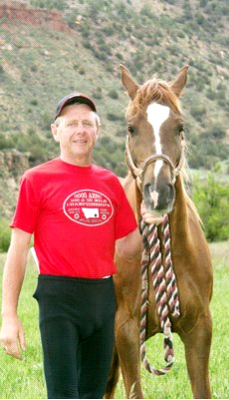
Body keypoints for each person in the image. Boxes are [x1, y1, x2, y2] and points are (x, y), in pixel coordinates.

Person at [0, 93, 145, 399]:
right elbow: (17, 250)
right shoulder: (36, 180)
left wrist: (153, 217)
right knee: (64, 393)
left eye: (87, 123)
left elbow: (130, 247)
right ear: (57, 131)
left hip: (103, 299)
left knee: (94, 393)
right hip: (59, 299)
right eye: (72, 123)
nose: (80, 130)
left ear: (97, 130)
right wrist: (9, 316)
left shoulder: (111, 184)